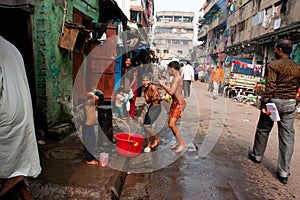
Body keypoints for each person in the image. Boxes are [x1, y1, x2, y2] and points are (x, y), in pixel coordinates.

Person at [248, 39, 300, 184]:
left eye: (276, 48)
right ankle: (283, 172)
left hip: (274, 102)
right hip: (290, 104)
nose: (275, 50)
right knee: (287, 137)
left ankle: (257, 155)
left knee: (263, 129)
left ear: (280, 50)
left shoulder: (273, 65)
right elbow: (297, 88)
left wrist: (264, 104)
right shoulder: (297, 67)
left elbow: (270, 87)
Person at [0, 35, 41, 199]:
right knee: (19, 163)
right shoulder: (11, 47)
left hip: (7, 115)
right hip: (21, 112)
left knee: (10, 165)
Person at [159, 61, 186, 153]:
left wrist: (162, 85)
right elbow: (170, 91)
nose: (168, 71)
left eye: (168, 70)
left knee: (171, 124)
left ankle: (182, 143)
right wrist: (163, 95)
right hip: (175, 103)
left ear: (172, 69)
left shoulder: (177, 78)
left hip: (179, 103)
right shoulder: (174, 78)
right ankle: (178, 142)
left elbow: (171, 92)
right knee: (170, 124)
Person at [142, 73, 162, 152]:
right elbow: (147, 101)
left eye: (147, 80)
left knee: (147, 126)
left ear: (150, 81)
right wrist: (147, 95)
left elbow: (159, 99)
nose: (145, 82)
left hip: (156, 108)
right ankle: (149, 143)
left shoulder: (153, 87)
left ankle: (156, 138)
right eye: (143, 81)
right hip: (151, 108)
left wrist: (156, 97)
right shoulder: (145, 90)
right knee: (145, 126)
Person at [82, 90, 101, 165]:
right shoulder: (88, 102)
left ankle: (90, 157)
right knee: (89, 142)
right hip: (87, 126)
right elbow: (96, 97)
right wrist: (92, 94)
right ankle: (89, 160)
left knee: (92, 141)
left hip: (90, 126)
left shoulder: (92, 103)